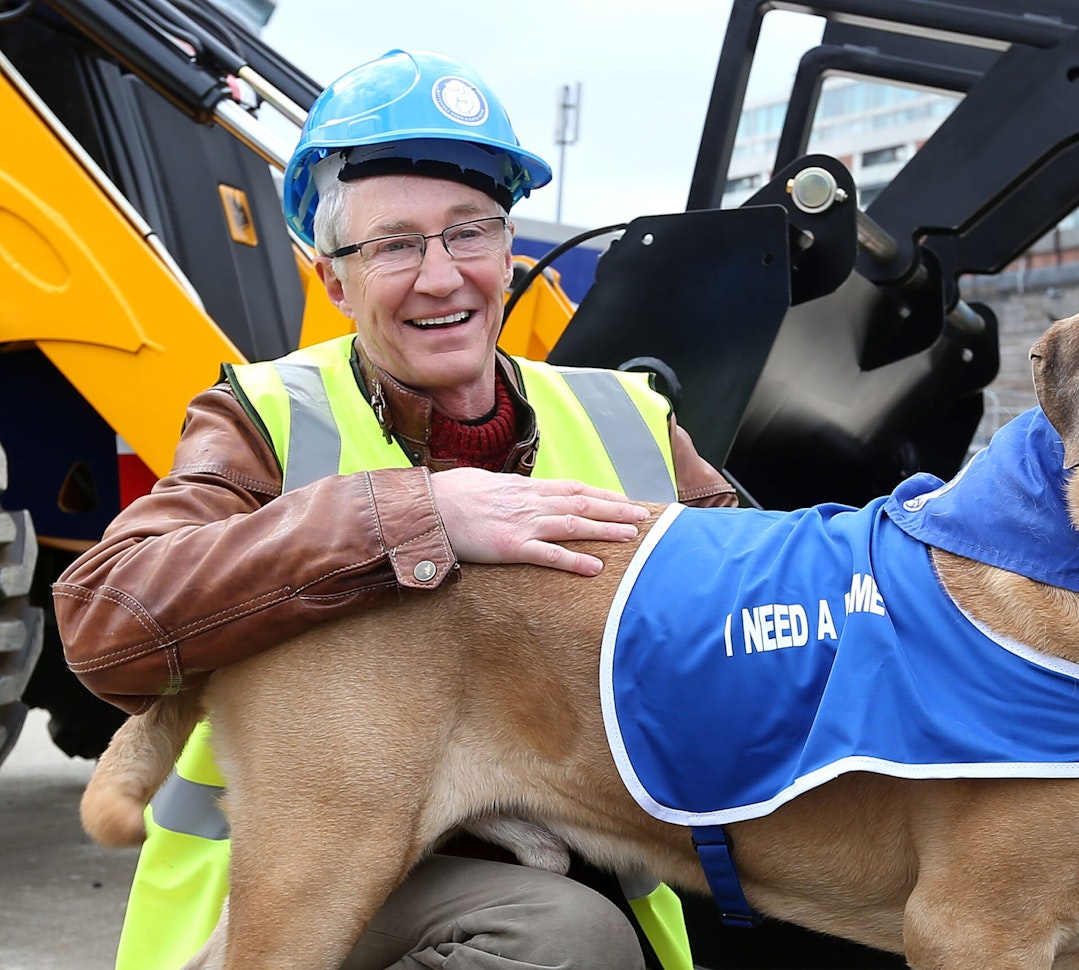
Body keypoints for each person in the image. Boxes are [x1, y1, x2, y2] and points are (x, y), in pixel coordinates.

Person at [54, 49, 736, 970]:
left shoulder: (627, 416)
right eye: (394, 246)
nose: (442, 275)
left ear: (508, 251)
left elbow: (764, 600)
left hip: (581, 852)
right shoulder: (266, 418)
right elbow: (108, 616)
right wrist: (416, 517)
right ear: (334, 283)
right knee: (565, 941)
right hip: (290, 898)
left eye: (469, 232)